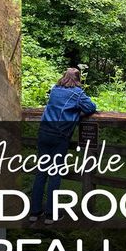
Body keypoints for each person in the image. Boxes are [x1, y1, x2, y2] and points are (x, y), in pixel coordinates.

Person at [30, 67, 96, 224]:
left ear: (64, 77)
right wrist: (77, 113)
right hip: (60, 136)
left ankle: (34, 212)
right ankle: (51, 215)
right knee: (55, 173)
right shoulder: (77, 93)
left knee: (41, 173)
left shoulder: (54, 89)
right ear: (78, 79)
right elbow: (91, 107)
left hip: (44, 133)